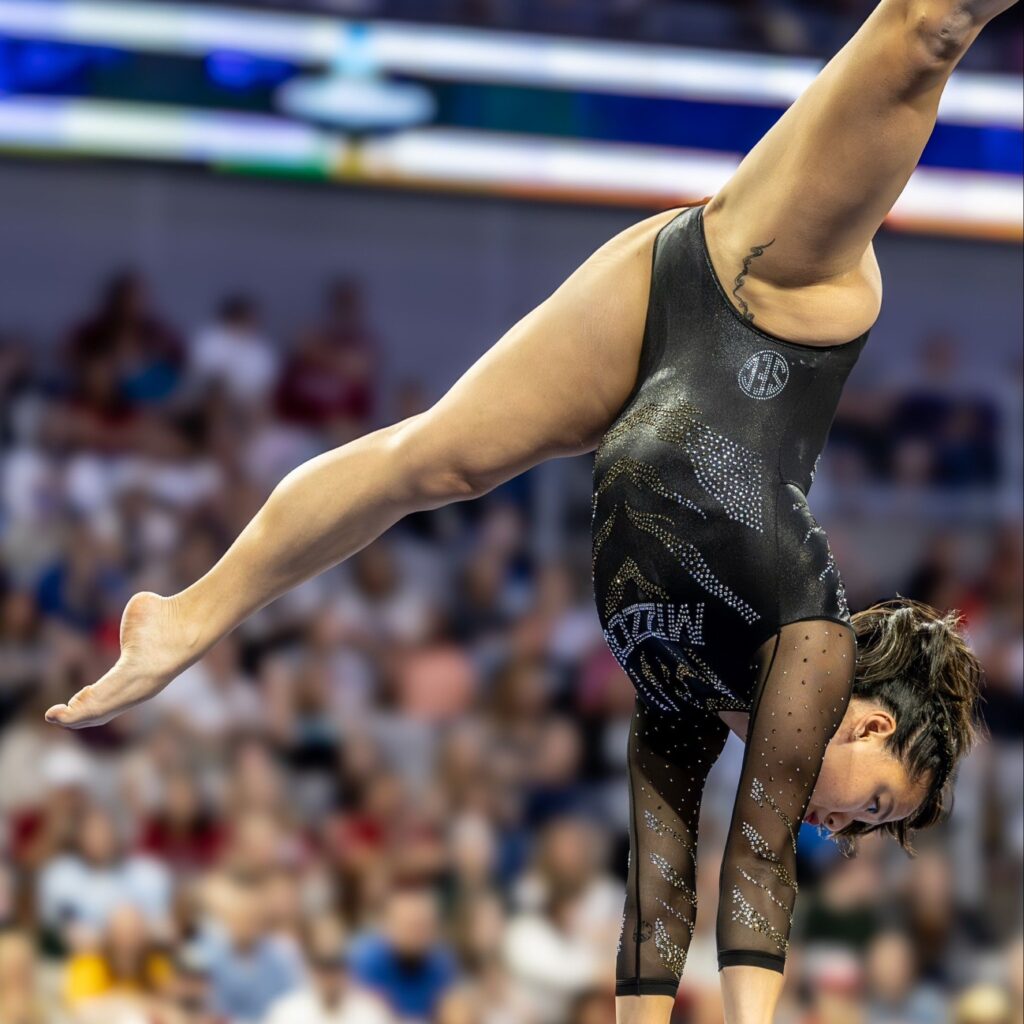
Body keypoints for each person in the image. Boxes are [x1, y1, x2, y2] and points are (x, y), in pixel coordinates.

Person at [44, 2, 1016, 1022]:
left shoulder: (694, 700)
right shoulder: (801, 655)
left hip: (654, 348)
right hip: (775, 293)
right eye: (870, 804)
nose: (843, 827)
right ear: (865, 717)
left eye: (863, 828)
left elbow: (659, 899)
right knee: (924, 31)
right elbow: (759, 865)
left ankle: (185, 614)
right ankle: (196, 614)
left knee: (438, 461)